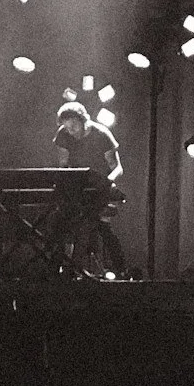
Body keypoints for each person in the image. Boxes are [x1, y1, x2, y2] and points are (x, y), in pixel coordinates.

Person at [52, 100, 127, 276]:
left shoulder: (102, 135)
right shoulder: (63, 135)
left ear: (84, 120)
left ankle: (77, 268)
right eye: (67, 127)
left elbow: (117, 168)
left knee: (90, 223)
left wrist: (107, 182)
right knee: (58, 221)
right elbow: (63, 165)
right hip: (75, 189)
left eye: (74, 126)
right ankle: (56, 268)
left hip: (99, 188)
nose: (70, 131)